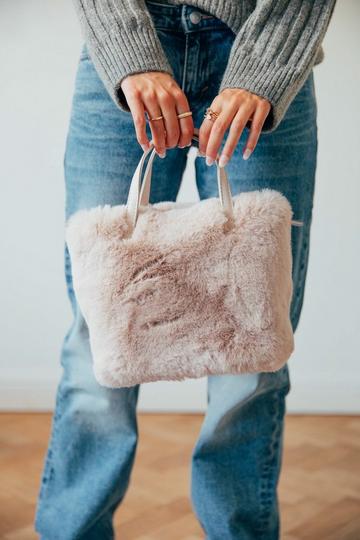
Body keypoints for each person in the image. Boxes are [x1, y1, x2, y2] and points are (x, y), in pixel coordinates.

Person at [34, 1, 336, 538]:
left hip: (263, 48)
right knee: (97, 346)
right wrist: (129, 50)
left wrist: (265, 66)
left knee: (256, 343)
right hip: (127, 46)